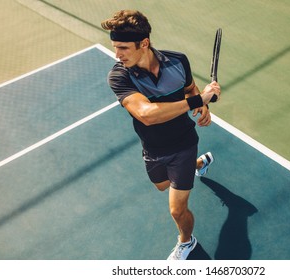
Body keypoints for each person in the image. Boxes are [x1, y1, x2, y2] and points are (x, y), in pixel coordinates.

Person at [101, 10, 221, 260]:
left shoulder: (178, 61)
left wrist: (202, 104)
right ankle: (198, 164)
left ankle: (186, 242)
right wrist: (201, 99)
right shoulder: (119, 75)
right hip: (153, 149)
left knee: (177, 210)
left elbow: (189, 89)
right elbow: (146, 114)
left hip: (184, 143)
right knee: (161, 186)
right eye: (115, 47)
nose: (117, 55)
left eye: (123, 48)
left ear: (143, 44)